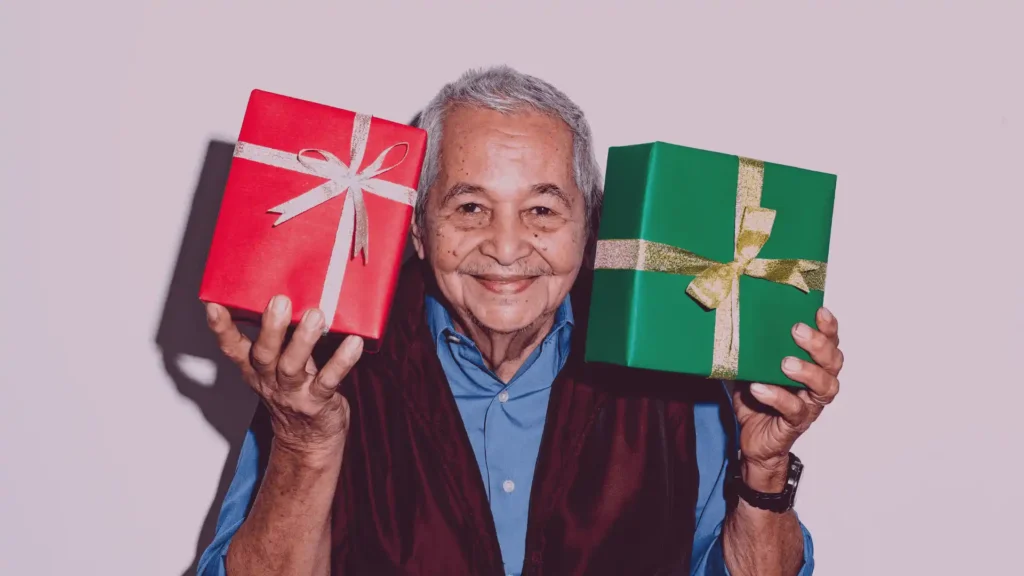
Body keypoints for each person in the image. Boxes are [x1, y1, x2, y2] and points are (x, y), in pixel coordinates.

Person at [197, 66, 844, 576]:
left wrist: (763, 472)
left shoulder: (673, 375)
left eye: (542, 211)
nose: (506, 249)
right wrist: (305, 447)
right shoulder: (321, 375)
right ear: (419, 230)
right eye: (471, 207)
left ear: (589, 227)